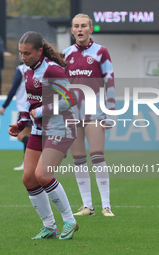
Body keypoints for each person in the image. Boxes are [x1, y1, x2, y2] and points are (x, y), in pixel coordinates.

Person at [8, 31, 79, 240]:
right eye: (20, 53)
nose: (23, 57)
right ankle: (49, 226)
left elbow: (70, 99)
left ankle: (70, 220)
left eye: (27, 53)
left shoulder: (53, 70)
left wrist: (40, 112)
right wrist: (21, 124)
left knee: (43, 175)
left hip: (61, 128)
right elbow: (31, 103)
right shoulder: (28, 71)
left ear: (39, 51)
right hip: (40, 130)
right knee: (29, 178)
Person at [63, 13, 116, 217]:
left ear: (90, 28)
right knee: (78, 158)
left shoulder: (101, 52)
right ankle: (87, 206)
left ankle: (106, 205)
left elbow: (110, 82)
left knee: (97, 155)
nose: (80, 29)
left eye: (84, 26)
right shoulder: (65, 54)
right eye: (76, 26)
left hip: (95, 112)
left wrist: (110, 113)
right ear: (72, 30)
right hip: (72, 113)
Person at [0, 63, 30, 170]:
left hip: (24, 109)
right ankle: (29, 162)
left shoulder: (21, 69)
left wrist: (4, 106)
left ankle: (27, 163)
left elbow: (13, 89)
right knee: (30, 136)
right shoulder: (41, 67)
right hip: (36, 107)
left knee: (21, 136)